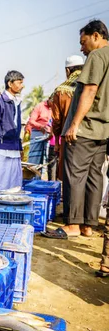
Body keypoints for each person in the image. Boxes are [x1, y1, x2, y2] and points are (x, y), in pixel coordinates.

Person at [61, 19, 109, 237]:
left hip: (86, 128)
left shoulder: (97, 56)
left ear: (97, 36)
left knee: (75, 175)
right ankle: (88, 225)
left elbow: (89, 91)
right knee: (94, 176)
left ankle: (72, 225)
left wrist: (74, 124)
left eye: (84, 42)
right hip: (103, 131)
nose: (82, 48)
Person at [0, 71, 24, 192]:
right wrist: (0, 137)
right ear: (10, 83)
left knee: (14, 180)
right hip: (2, 147)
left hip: (14, 146)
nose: (22, 85)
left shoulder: (16, 102)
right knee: (0, 179)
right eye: (19, 82)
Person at [51, 55, 85, 179]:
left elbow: (56, 120)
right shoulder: (91, 87)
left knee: (69, 174)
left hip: (69, 138)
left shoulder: (61, 91)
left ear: (67, 70)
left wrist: (56, 141)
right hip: (91, 137)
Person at [24, 99, 52, 166]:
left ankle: (41, 175)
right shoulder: (39, 106)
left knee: (47, 159)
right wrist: (41, 127)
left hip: (50, 134)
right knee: (34, 158)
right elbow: (31, 121)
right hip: (37, 133)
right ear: (50, 99)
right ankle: (33, 176)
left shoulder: (56, 107)